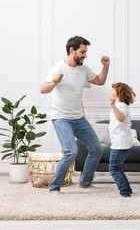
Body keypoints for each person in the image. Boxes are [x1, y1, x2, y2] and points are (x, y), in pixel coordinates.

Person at [40, 35, 110, 194]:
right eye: (82, 52)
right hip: (61, 118)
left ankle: (85, 182)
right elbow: (43, 89)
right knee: (71, 151)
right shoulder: (59, 68)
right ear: (72, 50)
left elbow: (100, 81)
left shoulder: (83, 69)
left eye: (85, 52)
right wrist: (54, 82)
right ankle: (54, 187)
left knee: (97, 149)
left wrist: (106, 67)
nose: (85, 55)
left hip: (78, 118)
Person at [108, 82, 136, 198]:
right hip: (119, 142)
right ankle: (127, 189)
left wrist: (113, 106)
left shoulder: (121, 106)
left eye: (112, 90)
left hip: (120, 143)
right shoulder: (120, 106)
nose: (110, 92)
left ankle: (124, 192)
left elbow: (121, 118)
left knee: (113, 168)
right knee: (117, 167)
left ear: (119, 93)